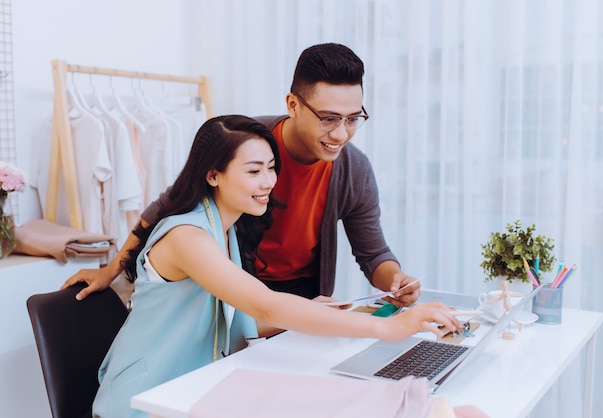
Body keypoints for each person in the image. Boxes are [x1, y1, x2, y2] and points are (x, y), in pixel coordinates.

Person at [90, 114, 460, 418]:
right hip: (144, 401)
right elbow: (263, 303)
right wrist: (390, 328)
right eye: (254, 172)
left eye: (271, 168)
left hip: (194, 389)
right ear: (213, 174)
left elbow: (229, 314)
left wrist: (307, 312)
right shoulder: (188, 236)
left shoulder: (224, 228)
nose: (269, 182)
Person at [63, 42, 420, 306]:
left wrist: (396, 280)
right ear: (293, 105)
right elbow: (168, 205)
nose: (341, 133)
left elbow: (373, 254)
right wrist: (111, 270)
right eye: (328, 118)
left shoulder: (354, 170)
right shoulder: (247, 144)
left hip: (304, 290)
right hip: (232, 284)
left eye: (353, 118)